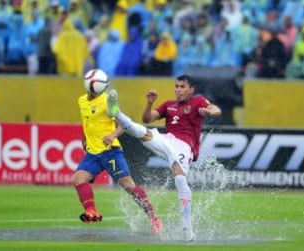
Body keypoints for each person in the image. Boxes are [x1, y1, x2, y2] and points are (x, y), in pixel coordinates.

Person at [106, 75, 222, 241]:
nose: (178, 90)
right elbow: (147, 118)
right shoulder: (169, 105)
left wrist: (209, 111)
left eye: (182, 87)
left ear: (191, 89)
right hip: (166, 140)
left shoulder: (198, 101)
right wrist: (149, 103)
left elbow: (217, 110)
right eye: (176, 86)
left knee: (180, 180)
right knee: (143, 132)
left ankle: (187, 230)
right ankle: (117, 113)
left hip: (184, 147)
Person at [72, 72, 163, 235]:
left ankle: (154, 218)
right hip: (93, 153)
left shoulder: (108, 102)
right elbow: (88, 121)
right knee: (79, 179)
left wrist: (112, 135)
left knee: (128, 186)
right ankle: (92, 211)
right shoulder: (81, 100)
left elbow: (125, 125)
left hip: (110, 151)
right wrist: (84, 137)